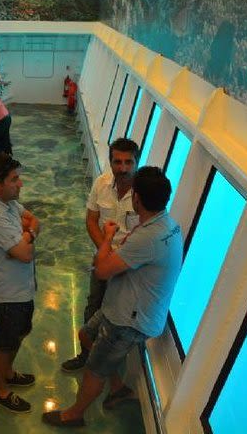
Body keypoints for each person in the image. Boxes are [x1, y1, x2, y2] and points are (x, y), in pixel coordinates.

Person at [43, 166, 183, 428]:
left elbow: (104, 271)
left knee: (94, 371)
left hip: (127, 320)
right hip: (122, 307)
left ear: (137, 199)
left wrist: (107, 237)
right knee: (86, 335)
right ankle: (118, 388)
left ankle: (75, 414)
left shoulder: (148, 238)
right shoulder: (168, 225)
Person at [61, 138, 140, 371]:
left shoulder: (143, 192)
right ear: (110, 161)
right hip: (102, 258)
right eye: (117, 162)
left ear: (136, 161)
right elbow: (91, 219)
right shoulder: (101, 184)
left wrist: (118, 255)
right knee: (94, 303)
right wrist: (103, 249)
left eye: (128, 162)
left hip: (129, 265)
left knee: (121, 313)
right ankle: (86, 354)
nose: (123, 168)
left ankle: (110, 363)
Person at [0, 153, 40, 413]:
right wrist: (27, 238)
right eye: (15, 179)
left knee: (19, 335)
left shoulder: (8, 203)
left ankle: (9, 373)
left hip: (20, 291)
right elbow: (25, 255)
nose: (21, 184)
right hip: (5, 298)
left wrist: (27, 234)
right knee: (3, 345)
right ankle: (0, 390)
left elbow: (33, 220)